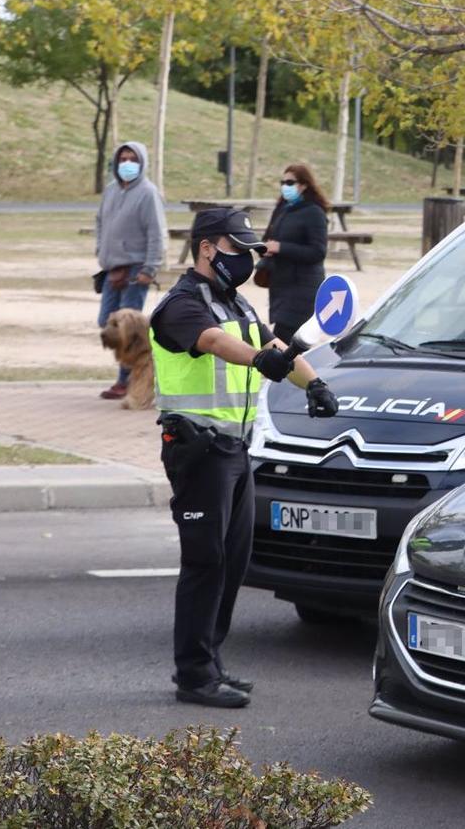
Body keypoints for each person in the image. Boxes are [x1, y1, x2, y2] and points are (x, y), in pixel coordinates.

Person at [149, 208, 341, 708]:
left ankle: (211, 662)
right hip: (197, 449)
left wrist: (315, 383)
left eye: (254, 251)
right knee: (205, 561)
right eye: (240, 249)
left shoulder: (237, 305)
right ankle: (193, 676)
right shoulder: (182, 304)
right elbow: (215, 343)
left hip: (235, 449)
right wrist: (261, 359)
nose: (249, 259)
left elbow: (276, 346)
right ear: (209, 248)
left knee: (232, 561)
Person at [93, 141, 166, 400]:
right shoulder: (111, 190)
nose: (126, 163)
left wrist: (150, 267)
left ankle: (127, 380)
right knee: (106, 321)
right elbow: (100, 221)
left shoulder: (148, 193)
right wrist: (101, 250)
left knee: (130, 329)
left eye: (131, 159)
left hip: (136, 270)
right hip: (112, 268)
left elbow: (157, 233)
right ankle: (131, 371)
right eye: (122, 158)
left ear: (141, 162)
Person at [256, 163, 330, 343]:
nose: (285, 186)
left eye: (290, 182)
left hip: (303, 289)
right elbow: (269, 239)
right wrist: (264, 249)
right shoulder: (282, 209)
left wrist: (281, 248)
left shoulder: (314, 213)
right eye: (282, 182)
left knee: (286, 343)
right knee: (287, 344)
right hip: (281, 286)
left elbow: (318, 252)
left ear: (304, 185)